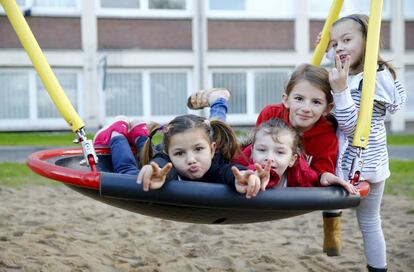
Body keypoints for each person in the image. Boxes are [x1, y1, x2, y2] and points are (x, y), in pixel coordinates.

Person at [328, 14, 406, 272]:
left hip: (358, 163)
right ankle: (336, 241)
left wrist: (339, 92)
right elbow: (398, 101)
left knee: (368, 220)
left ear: (369, 42)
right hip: (374, 164)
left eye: (346, 40)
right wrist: (331, 46)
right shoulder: (371, 74)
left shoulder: (368, 82)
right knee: (369, 220)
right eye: (334, 42)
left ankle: (336, 238)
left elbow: (352, 128)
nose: (339, 47)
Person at [187, 87, 357, 193]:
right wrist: (252, 174)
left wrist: (324, 178)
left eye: (280, 152)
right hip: (223, 161)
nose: (269, 158)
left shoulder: (300, 172)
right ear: (252, 151)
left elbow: (313, 178)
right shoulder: (241, 161)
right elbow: (233, 172)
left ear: (293, 159)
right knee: (216, 135)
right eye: (261, 150)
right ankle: (219, 101)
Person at [93, 114, 268, 199]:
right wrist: (157, 172)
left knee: (148, 150)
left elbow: (229, 171)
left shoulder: (216, 161)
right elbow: (162, 164)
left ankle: (140, 133)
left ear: (213, 149)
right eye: (179, 154)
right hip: (157, 154)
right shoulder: (166, 159)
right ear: (169, 154)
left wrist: (245, 175)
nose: (191, 159)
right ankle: (116, 134)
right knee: (129, 172)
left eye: (198, 149)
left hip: (168, 148)